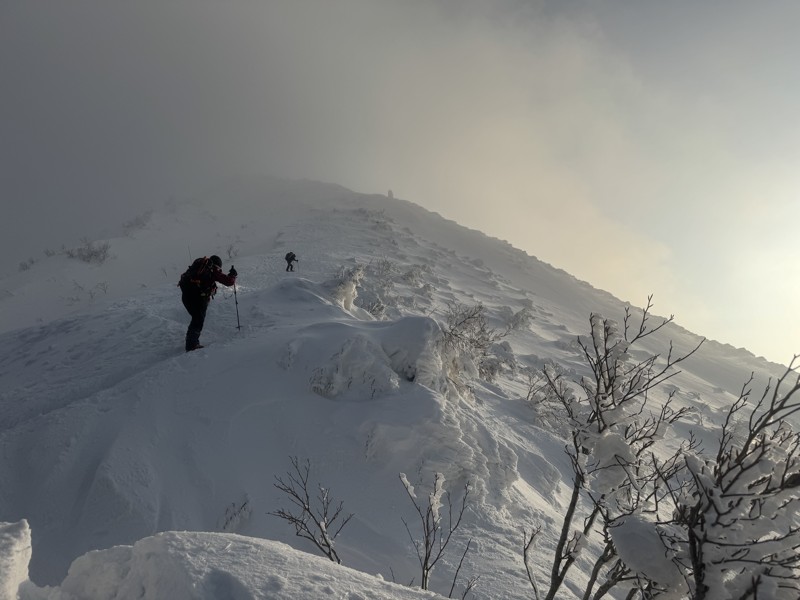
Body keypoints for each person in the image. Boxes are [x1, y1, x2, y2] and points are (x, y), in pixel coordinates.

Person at [178, 255, 237, 352]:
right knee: (198, 320)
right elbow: (229, 282)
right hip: (198, 298)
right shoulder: (212, 269)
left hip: (186, 296)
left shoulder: (198, 267)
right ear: (217, 265)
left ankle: (191, 341)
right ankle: (192, 345)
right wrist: (233, 275)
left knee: (196, 319)